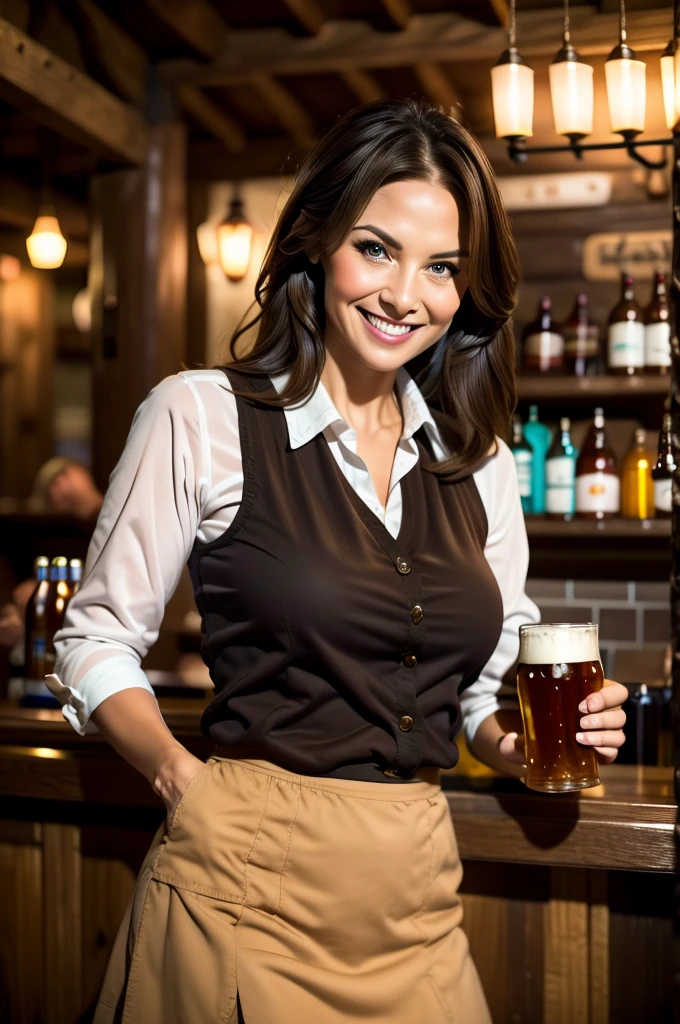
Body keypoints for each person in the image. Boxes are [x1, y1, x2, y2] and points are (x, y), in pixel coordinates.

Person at [46, 100, 627, 1024]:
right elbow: (98, 639)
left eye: (442, 268)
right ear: (316, 239)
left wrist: (516, 748)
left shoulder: (482, 464)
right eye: (377, 249)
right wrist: (181, 783)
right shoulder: (200, 416)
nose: (406, 295)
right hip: (242, 885)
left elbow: (477, 691)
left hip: (417, 895)